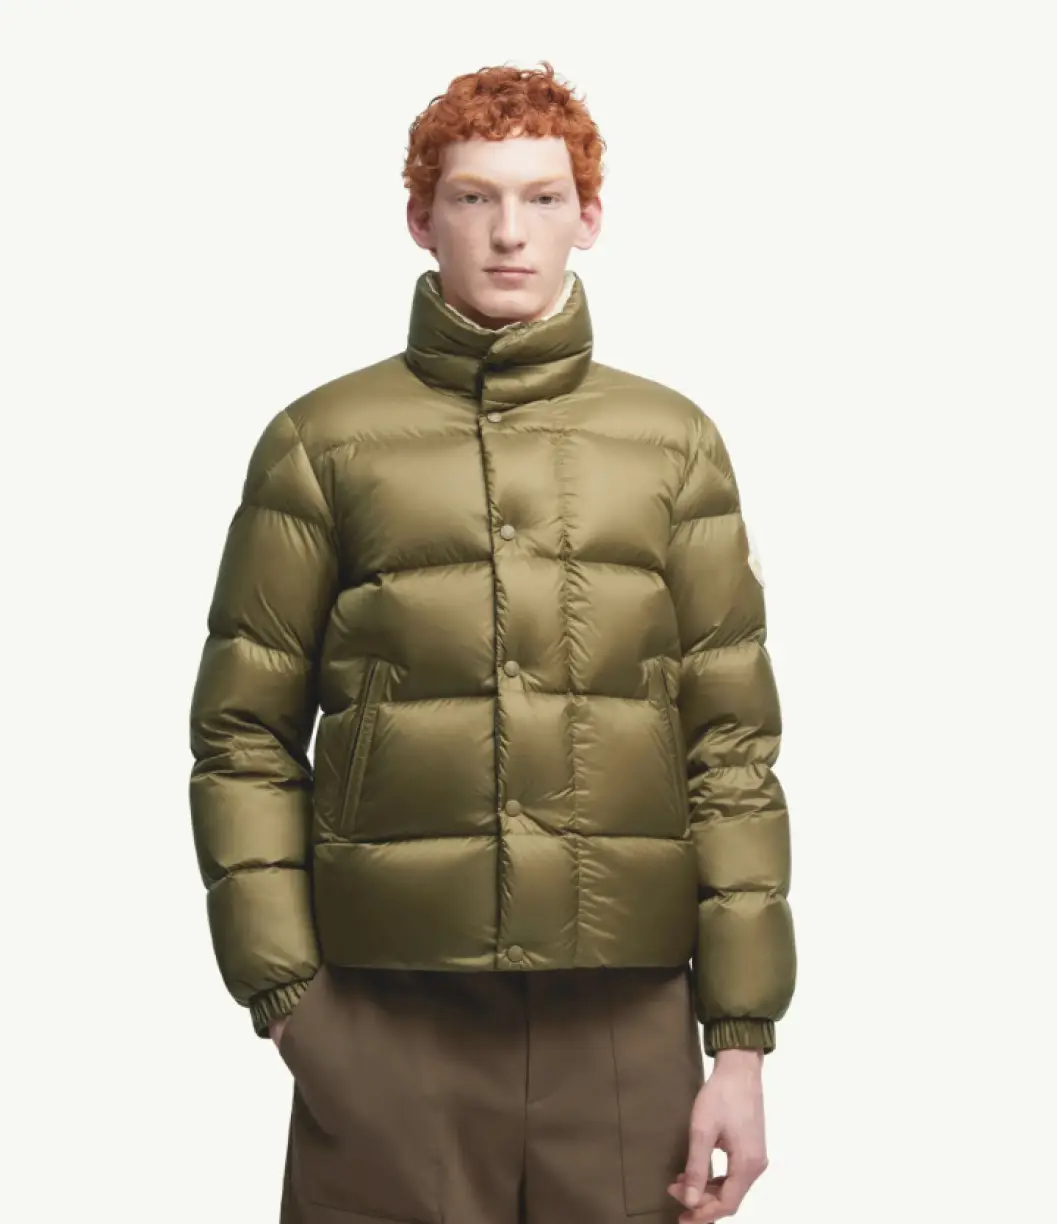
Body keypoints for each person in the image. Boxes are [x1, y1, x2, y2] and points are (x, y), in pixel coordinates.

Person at [188, 60, 796, 1224]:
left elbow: (730, 749)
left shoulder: (673, 444)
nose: (509, 232)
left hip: (623, 1024)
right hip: (385, 1014)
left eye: (542, 197)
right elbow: (242, 732)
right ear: (421, 218)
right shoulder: (322, 442)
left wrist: (740, 1042)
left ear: (589, 217)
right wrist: (288, 996)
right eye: (474, 197)